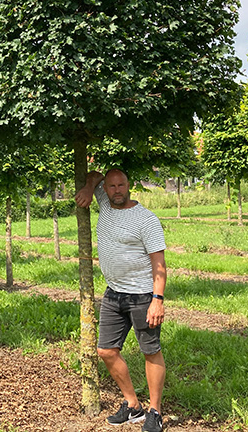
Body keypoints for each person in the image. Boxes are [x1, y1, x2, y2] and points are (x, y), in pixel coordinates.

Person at [75, 168, 167, 432]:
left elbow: (159, 264)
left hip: (142, 296)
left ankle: (155, 411)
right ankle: (132, 405)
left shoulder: (146, 219)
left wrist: (157, 300)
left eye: (121, 185)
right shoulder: (105, 202)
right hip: (113, 294)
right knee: (106, 350)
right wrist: (90, 186)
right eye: (111, 186)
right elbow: (92, 173)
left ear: (129, 186)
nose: (116, 190)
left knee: (151, 351)